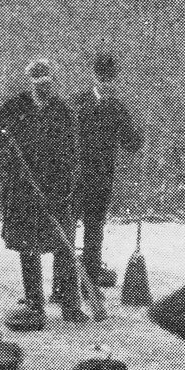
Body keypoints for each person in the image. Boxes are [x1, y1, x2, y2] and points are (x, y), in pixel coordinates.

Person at [0, 59, 88, 325]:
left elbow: (72, 153)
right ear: (30, 82)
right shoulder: (14, 108)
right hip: (22, 191)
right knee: (28, 247)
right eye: (38, 83)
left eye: (47, 83)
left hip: (57, 191)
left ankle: (71, 306)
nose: (43, 88)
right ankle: (35, 303)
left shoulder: (63, 112)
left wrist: (65, 187)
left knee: (64, 247)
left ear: (52, 82)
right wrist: (12, 169)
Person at [52, 52, 143, 301]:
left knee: (94, 233)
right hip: (73, 179)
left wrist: (139, 134)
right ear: (94, 76)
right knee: (66, 231)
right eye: (103, 77)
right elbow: (58, 137)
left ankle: (90, 286)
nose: (106, 82)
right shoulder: (76, 103)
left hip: (101, 180)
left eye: (110, 78)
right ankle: (60, 287)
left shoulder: (118, 108)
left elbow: (130, 144)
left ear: (115, 79)